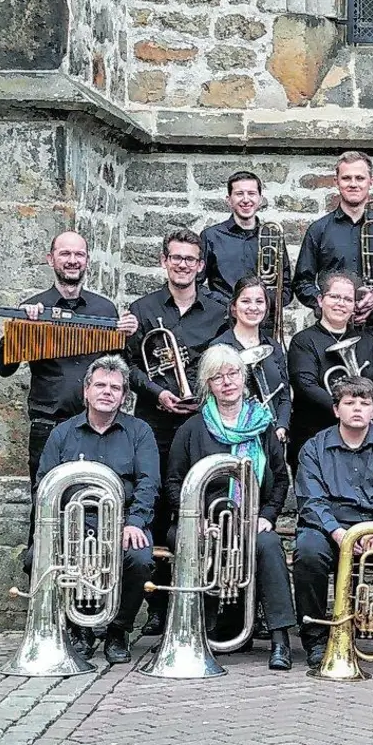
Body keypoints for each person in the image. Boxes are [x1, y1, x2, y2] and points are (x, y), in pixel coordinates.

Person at [125, 228, 232, 636]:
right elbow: (130, 366)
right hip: (156, 420)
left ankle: (201, 599)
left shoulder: (219, 311)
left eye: (191, 259)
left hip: (201, 421)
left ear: (201, 266)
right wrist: (158, 393)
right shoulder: (144, 309)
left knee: (200, 505)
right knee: (153, 506)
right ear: (164, 261)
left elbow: (224, 364)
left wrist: (200, 395)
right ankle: (156, 605)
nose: (183, 264)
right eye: (176, 258)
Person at [163, 344, 296, 670]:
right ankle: (198, 631)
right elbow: (172, 482)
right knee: (187, 540)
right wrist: (195, 518)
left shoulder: (263, 425)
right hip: (201, 518)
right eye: (217, 377)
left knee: (268, 544)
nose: (227, 382)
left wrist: (267, 517)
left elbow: (280, 479)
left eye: (233, 373)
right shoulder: (192, 429)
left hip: (249, 519)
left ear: (244, 376)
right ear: (208, 384)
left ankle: (280, 640)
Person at [292, 377, 373, 674]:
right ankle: (315, 640)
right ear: (336, 409)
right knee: (307, 552)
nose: (357, 409)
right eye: (350, 403)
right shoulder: (314, 448)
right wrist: (339, 533)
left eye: (364, 404)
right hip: (329, 526)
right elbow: (311, 500)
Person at [29, 355, 158, 664]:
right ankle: (80, 628)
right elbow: (43, 485)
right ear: (86, 390)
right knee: (39, 557)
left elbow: (149, 482)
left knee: (139, 559)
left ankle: (118, 630)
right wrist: (58, 527)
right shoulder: (62, 433)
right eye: (100, 385)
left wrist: (136, 522)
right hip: (74, 521)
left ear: (125, 397)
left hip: (122, 521)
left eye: (115, 387)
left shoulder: (139, 432)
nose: (107, 392)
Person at [0, 230, 136, 492]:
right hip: (48, 426)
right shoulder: (33, 306)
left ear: (87, 260)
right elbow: (3, 368)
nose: (73, 260)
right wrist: (20, 330)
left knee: (94, 500)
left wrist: (128, 336)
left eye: (79, 254)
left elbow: (121, 367)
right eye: (65, 253)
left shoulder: (104, 309)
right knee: (45, 505)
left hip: (96, 426)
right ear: (51, 259)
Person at [292, 151, 373, 352]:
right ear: (336, 181)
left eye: (360, 178)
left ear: (371, 182)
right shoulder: (319, 229)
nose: (353, 184)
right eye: (346, 178)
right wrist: (331, 306)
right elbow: (302, 283)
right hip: (330, 332)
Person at [286, 270, 373, 454]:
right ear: (320, 300)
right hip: (315, 439)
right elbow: (306, 386)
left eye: (347, 299)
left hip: (364, 439)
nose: (340, 303)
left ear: (354, 305)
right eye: (334, 296)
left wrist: (367, 413)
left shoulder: (366, 341)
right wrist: (347, 412)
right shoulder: (303, 341)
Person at [199, 170, 292, 331]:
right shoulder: (211, 236)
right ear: (229, 200)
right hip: (224, 324)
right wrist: (229, 304)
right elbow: (196, 284)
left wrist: (262, 303)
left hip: (264, 327)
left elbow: (286, 288)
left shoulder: (273, 236)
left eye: (251, 193)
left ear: (260, 199)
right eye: (239, 194)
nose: (246, 199)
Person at [210, 275, 291, 445]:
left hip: (272, 435)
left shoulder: (273, 347)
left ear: (266, 308)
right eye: (246, 301)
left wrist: (281, 426)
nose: (253, 307)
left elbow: (284, 394)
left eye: (259, 302)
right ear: (233, 308)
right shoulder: (219, 347)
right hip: (235, 436)